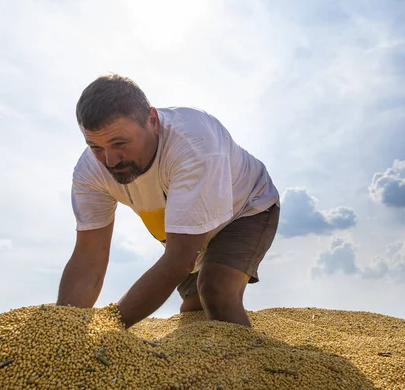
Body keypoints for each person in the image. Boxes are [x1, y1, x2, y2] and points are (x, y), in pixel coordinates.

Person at [56, 74, 280, 329]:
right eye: (95, 147)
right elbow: (89, 254)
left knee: (217, 291)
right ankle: (201, 362)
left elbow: (179, 259)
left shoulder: (195, 145)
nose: (110, 160)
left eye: (120, 143)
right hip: (183, 226)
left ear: (152, 121)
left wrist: (108, 330)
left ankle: (248, 365)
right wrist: (66, 330)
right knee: (193, 306)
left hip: (245, 207)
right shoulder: (89, 172)